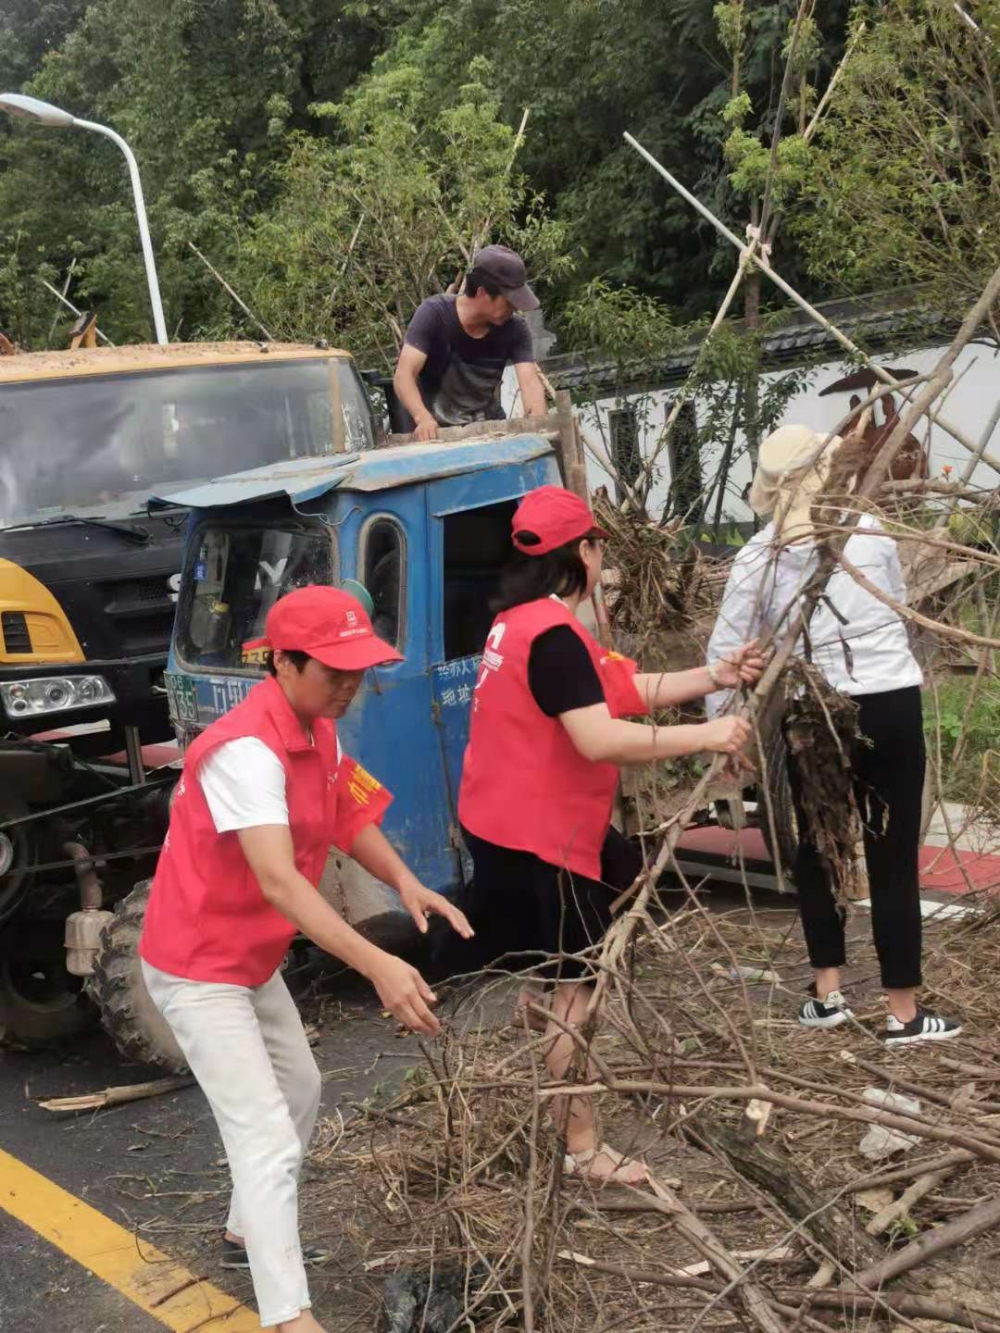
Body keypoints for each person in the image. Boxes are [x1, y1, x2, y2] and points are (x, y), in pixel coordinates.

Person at [139, 586, 473, 1333]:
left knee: (301, 1085)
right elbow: (280, 878)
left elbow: (347, 815)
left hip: (248, 954)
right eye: (333, 670)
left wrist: (407, 879)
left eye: (359, 669)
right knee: (263, 1132)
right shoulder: (245, 750)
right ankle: (289, 1318)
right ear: (282, 663)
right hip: (197, 964)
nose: (349, 684)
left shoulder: (319, 730)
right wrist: (377, 964)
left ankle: (243, 1229)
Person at [457, 485, 763, 1185]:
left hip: (503, 824)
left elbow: (622, 687)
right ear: (585, 554)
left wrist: (714, 675)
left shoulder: (522, 623)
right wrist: (710, 730)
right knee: (581, 988)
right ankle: (584, 1145)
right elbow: (598, 736)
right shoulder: (558, 636)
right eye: (600, 547)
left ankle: (543, 1002)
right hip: (544, 837)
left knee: (624, 876)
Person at [707, 424, 961, 1046]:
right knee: (892, 855)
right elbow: (894, 605)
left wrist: (723, 732)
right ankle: (903, 1013)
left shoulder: (757, 557)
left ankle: (828, 993)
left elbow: (727, 650)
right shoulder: (867, 532)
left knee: (818, 850)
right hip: (886, 704)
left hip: (811, 711)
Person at [393, 245, 547, 439]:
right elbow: (403, 376)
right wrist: (422, 418)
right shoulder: (434, 314)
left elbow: (530, 384)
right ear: (482, 293)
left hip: (489, 430)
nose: (514, 308)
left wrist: (538, 427)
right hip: (437, 434)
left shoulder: (515, 329)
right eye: (508, 301)